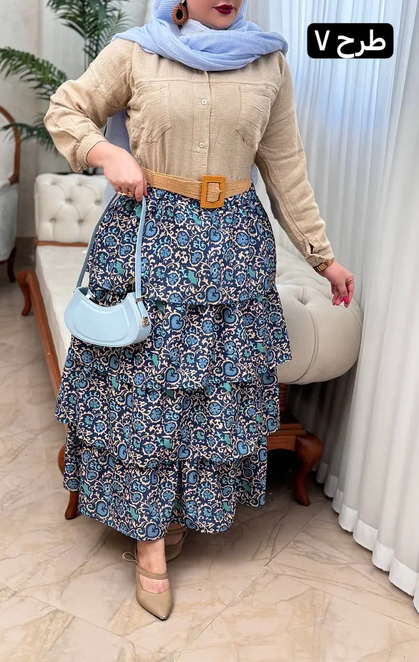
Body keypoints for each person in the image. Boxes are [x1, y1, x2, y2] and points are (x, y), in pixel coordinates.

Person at [44, 0, 354, 621]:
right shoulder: (137, 51)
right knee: (144, 398)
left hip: (235, 250)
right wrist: (108, 153)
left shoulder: (268, 63)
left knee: (209, 398)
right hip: (150, 241)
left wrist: (322, 257)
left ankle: (178, 512)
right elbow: (66, 108)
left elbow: (285, 168)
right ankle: (148, 538)